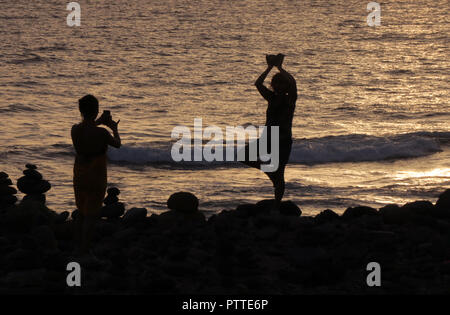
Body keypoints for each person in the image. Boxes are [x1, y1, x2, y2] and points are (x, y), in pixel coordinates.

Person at [241, 54, 297, 211]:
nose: (279, 86)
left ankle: (277, 206)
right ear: (273, 85)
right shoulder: (271, 97)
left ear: (286, 86)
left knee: (280, 175)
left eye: (282, 84)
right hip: (267, 137)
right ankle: (268, 170)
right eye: (276, 83)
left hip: (283, 140)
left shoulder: (290, 99)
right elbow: (258, 83)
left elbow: (293, 83)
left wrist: (280, 68)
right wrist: (269, 67)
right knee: (242, 156)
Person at [71, 94, 121, 256]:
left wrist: (99, 121)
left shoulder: (75, 130)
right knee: (91, 215)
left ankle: (77, 244)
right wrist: (114, 128)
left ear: (80, 111)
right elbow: (118, 144)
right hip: (97, 175)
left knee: (81, 210)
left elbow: (87, 128)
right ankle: (84, 250)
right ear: (96, 110)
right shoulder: (102, 133)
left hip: (79, 174)